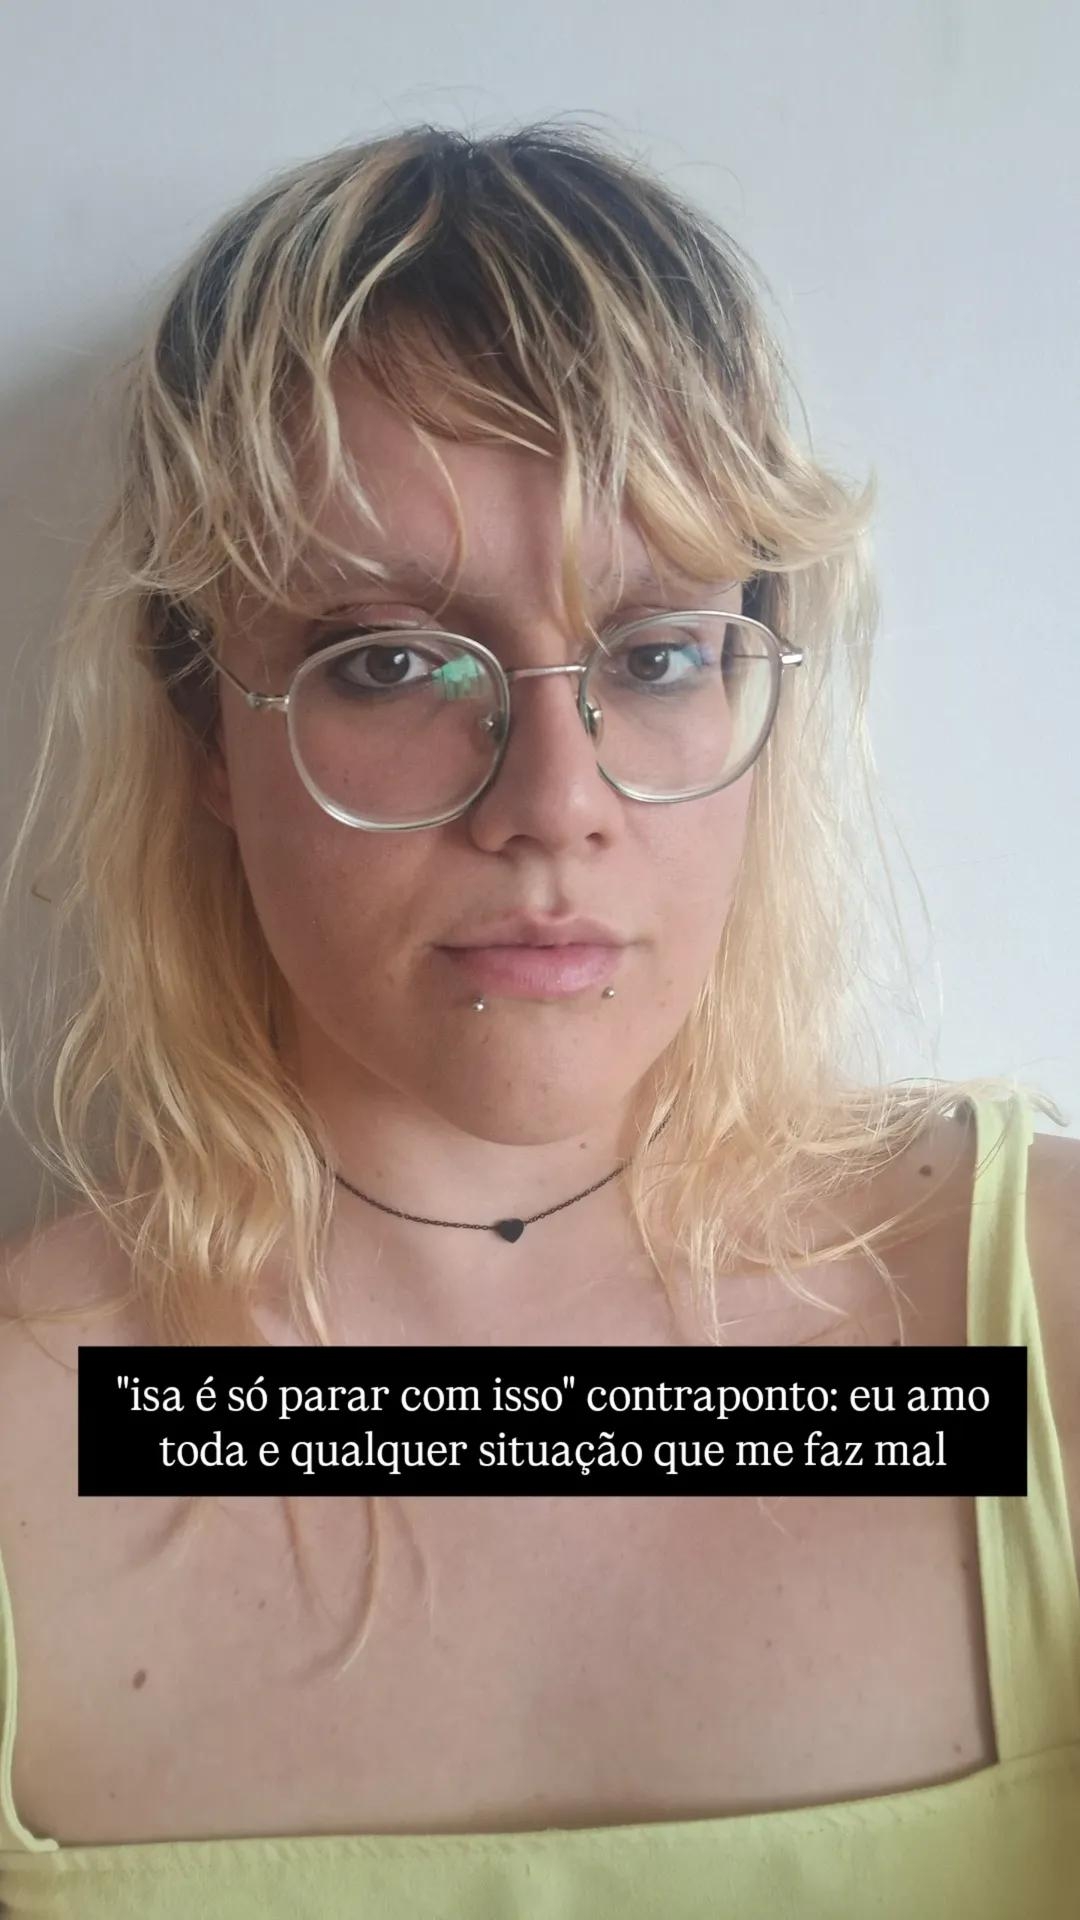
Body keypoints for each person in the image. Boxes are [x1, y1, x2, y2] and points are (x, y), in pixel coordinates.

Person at [0, 119, 1077, 1919]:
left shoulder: (1047, 1320)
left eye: (655, 654)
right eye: (392, 661)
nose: (553, 802)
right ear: (200, 733)